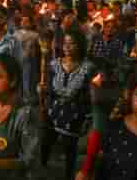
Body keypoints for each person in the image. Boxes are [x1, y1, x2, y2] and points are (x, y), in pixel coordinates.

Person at [39, 29, 96, 180]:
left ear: (80, 45)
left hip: (74, 117)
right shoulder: (54, 64)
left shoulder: (88, 68)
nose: (68, 47)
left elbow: (90, 96)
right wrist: (43, 90)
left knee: (69, 154)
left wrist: (87, 118)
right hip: (52, 114)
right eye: (65, 44)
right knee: (44, 148)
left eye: (72, 44)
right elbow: (49, 90)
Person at [14, 14, 39, 105]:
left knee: (29, 81)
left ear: (31, 23)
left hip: (30, 61)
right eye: (22, 20)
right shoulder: (16, 34)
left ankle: (29, 100)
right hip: (18, 61)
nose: (24, 22)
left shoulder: (35, 35)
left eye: (27, 21)